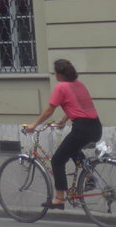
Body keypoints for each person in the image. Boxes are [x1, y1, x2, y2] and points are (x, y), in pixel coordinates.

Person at [23, 58, 103, 209]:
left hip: (82, 129)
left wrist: (33, 125)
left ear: (59, 74)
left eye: (55, 73)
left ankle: (59, 198)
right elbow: (79, 106)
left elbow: (49, 110)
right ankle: (89, 177)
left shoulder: (61, 87)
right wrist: (64, 119)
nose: (54, 75)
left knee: (57, 160)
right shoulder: (79, 85)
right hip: (95, 127)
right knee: (73, 149)